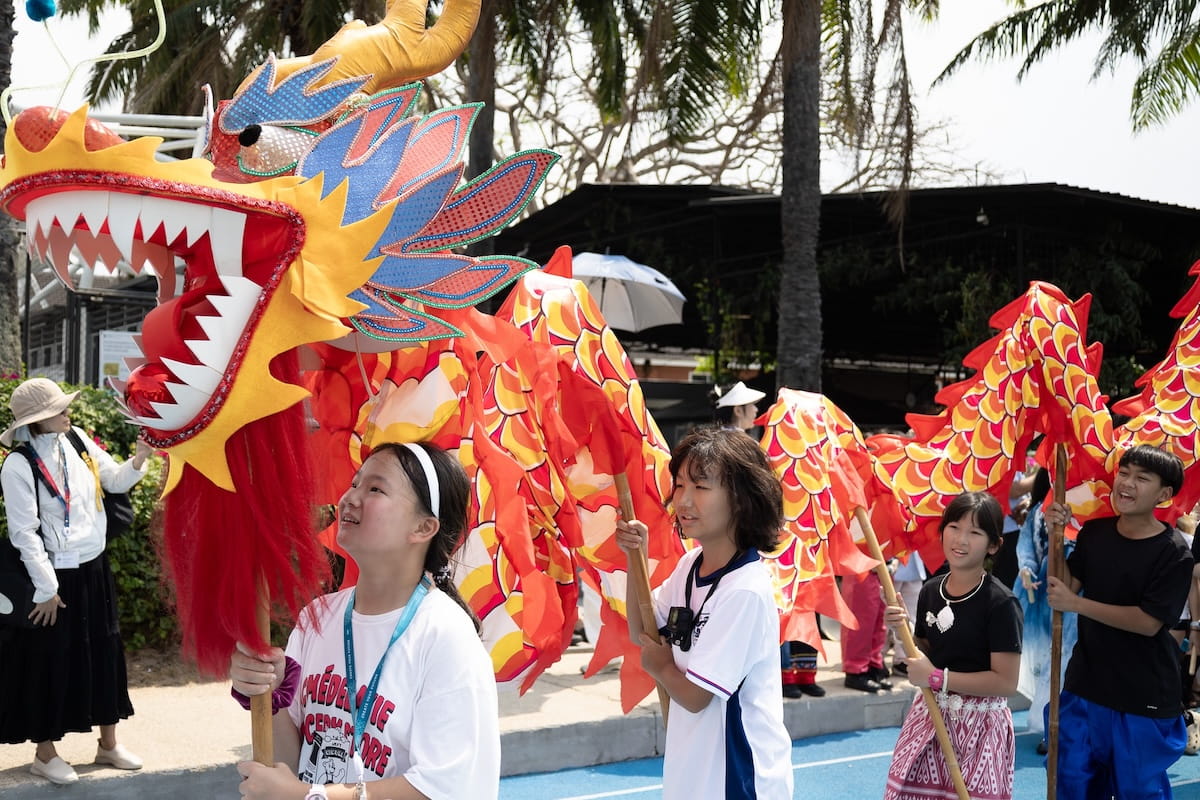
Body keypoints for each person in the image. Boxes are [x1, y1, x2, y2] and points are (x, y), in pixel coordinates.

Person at [229, 441, 500, 800]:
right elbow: (290, 765)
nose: (349, 498)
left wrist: (309, 796)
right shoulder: (318, 617)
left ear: (423, 527)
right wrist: (267, 693)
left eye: (375, 488)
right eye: (355, 483)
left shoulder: (445, 635)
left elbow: (442, 789)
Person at [615, 426, 793, 800]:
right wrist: (637, 559)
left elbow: (697, 696)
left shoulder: (744, 591)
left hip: (738, 778)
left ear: (742, 500)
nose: (683, 501)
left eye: (701, 487)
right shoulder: (690, 564)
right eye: (679, 485)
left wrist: (660, 666)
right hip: (695, 767)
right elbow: (642, 631)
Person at [0, 377, 152, 785]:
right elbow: (24, 533)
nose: (69, 412)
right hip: (52, 576)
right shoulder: (18, 464)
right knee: (51, 659)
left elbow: (115, 482)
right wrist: (47, 589)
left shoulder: (79, 440)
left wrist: (138, 460)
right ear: (39, 420)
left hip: (94, 567)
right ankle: (45, 753)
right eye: (60, 409)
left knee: (104, 652)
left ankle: (108, 744)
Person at [1046, 445, 1193, 800]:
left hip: (1143, 695)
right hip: (1085, 686)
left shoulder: (1175, 552)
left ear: (1164, 494)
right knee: (1072, 784)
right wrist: (1056, 533)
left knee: (1138, 792)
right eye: (1124, 473)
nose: (1127, 483)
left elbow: (1148, 623)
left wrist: (1077, 604)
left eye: (1142, 478)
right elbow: (1063, 589)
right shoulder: (1094, 534)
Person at [883, 491, 1024, 800]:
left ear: (994, 545)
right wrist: (900, 629)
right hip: (930, 716)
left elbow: (1005, 682)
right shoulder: (930, 590)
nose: (961, 539)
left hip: (981, 727)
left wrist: (937, 678)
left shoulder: (1001, 603)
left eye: (974, 532)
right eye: (954, 527)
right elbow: (925, 652)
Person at [1013, 467, 1077, 756]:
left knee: (1070, 659)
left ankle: (1068, 726)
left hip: (1078, 592)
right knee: (1048, 660)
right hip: (1043, 592)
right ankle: (1050, 726)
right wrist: (1026, 570)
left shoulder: (1090, 505)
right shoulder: (1040, 510)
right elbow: (1027, 548)